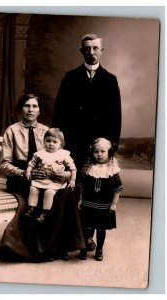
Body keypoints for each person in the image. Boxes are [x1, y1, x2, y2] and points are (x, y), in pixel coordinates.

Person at [52, 33, 122, 251]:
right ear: (81, 51)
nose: (91, 52)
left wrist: (110, 147)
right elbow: (59, 112)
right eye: (87, 48)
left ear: (102, 51)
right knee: (70, 188)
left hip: (98, 148)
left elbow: (115, 116)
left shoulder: (110, 80)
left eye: (95, 48)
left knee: (94, 192)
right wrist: (59, 145)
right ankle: (66, 236)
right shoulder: (70, 77)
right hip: (72, 144)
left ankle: (87, 237)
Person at [0, 93, 85, 262]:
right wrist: (25, 173)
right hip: (22, 175)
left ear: (39, 111)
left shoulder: (48, 131)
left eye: (34, 106)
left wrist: (66, 175)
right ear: (21, 109)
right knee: (32, 199)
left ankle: (60, 246)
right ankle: (33, 249)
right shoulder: (12, 130)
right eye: (27, 106)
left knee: (64, 194)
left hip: (49, 175)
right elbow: (3, 164)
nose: (30, 110)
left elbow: (63, 159)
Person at [77, 138, 123, 261]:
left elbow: (117, 189)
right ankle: (84, 248)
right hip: (88, 204)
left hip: (103, 205)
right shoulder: (88, 168)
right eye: (96, 151)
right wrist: (80, 199)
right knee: (86, 227)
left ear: (109, 153)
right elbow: (81, 186)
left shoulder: (112, 170)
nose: (99, 154)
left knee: (101, 229)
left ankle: (99, 249)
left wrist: (113, 204)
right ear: (92, 153)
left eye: (103, 151)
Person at [24, 127, 77, 223]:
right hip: (41, 179)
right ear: (44, 141)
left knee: (49, 192)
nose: (51, 144)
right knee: (33, 189)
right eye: (48, 141)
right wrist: (28, 171)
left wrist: (72, 180)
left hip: (54, 181)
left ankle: (44, 213)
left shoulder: (63, 154)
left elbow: (72, 168)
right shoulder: (40, 153)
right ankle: (31, 208)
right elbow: (31, 163)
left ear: (61, 144)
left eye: (54, 142)